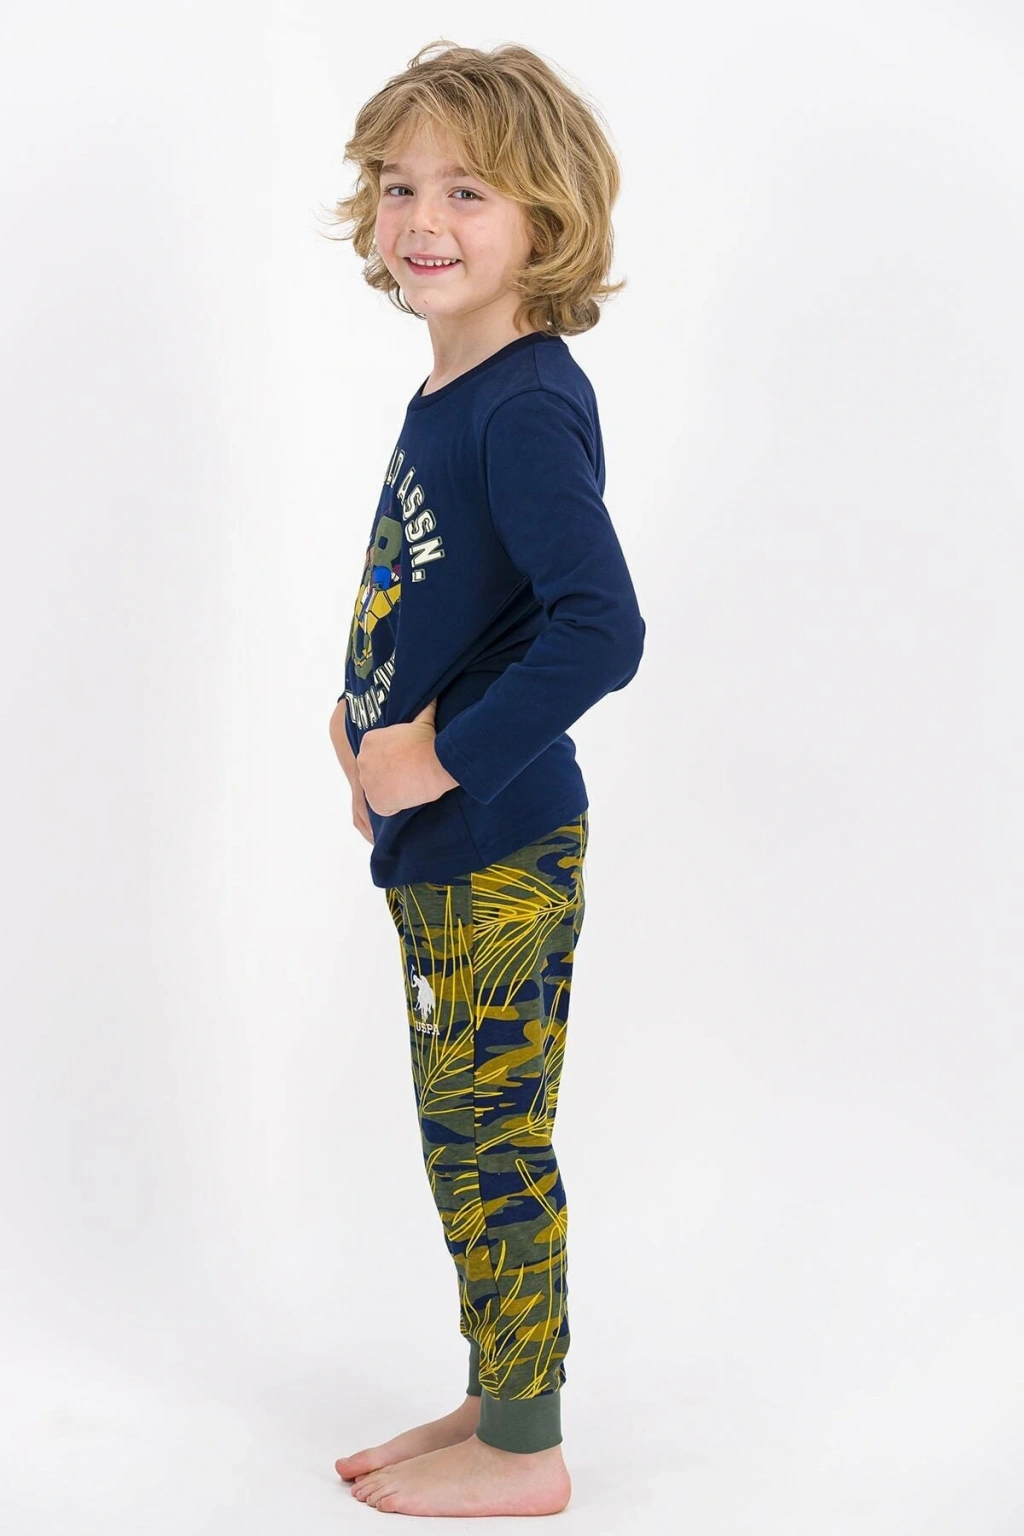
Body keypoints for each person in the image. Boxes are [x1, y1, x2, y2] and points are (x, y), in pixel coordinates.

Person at [326, 39, 645, 1519]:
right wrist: (357, 724)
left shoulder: (519, 404)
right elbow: (451, 591)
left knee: (491, 1138)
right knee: (462, 1134)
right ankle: (496, 1395)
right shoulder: (454, 391)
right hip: (443, 837)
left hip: (498, 840)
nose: (423, 219)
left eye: (468, 190)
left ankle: (527, 1453)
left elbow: (601, 626)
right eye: (401, 186)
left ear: (546, 216)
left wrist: (433, 754)